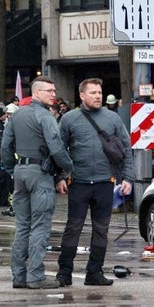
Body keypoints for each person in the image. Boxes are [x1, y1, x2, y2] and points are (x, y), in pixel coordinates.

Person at [56, 77, 133, 287]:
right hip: (78, 182)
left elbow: (126, 149)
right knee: (73, 228)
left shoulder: (113, 119)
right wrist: (61, 177)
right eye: (93, 93)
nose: (98, 96)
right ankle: (64, 273)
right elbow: (59, 150)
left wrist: (127, 178)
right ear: (82, 95)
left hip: (105, 183)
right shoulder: (69, 119)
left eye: (100, 92)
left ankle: (94, 272)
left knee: (101, 230)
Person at [1, 77, 73, 290]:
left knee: (22, 226)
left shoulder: (16, 115)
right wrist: (67, 169)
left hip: (20, 172)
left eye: (54, 90)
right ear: (36, 93)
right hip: (40, 174)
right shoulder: (46, 117)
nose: (54, 94)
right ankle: (35, 276)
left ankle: (18, 276)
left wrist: (11, 169)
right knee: (40, 226)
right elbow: (57, 148)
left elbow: (6, 147)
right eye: (49, 91)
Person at [0, 107, 13, 216]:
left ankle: (4, 201)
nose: (6, 116)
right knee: (4, 181)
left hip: (0, 158)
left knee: (4, 181)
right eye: (5, 114)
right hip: (1, 159)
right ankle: (4, 201)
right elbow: (1, 144)